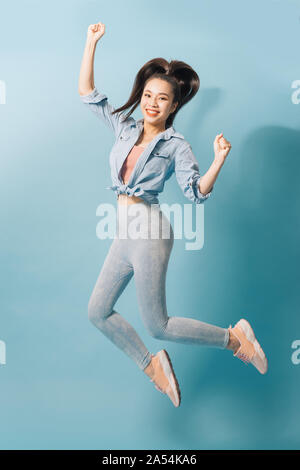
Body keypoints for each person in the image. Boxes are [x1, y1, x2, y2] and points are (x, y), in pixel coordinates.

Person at [78, 22, 268, 408]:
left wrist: (218, 160)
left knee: (158, 324)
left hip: (149, 231)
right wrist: (90, 43)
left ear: (174, 105)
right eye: (148, 94)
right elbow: (87, 93)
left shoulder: (175, 145)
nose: (152, 103)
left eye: (162, 99)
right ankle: (154, 368)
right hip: (123, 233)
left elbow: (196, 193)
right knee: (98, 311)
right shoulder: (124, 128)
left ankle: (236, 339)